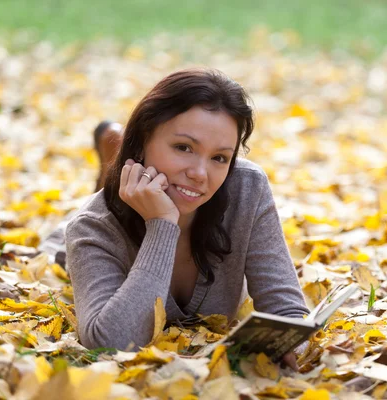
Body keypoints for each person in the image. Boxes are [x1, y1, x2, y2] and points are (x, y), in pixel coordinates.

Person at [62, 68, 310, 369]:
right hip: (77, 234)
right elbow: (109, 345)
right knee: (56, 246)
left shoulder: (247, 188)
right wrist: (162, 225)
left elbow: (287, 311)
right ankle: (109, 169)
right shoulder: (90, 227)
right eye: (184, 148)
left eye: (219, 157)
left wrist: (290, 346)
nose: (200, 174)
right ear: (141, 142)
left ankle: (110, 164)